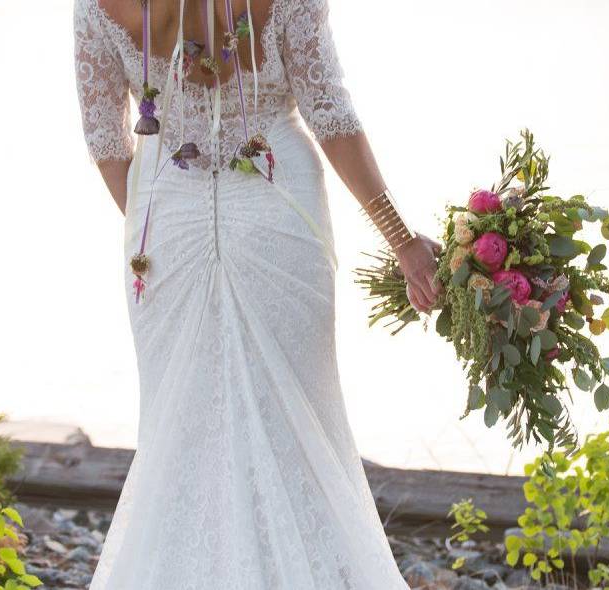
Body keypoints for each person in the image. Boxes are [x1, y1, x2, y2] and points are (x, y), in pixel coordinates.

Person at [73, 0, 442, 586]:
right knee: (298, 419)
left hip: (165, 228)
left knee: (182, 427)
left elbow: (104, 135)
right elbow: (331, 116)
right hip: (278, 204)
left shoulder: (95, 6)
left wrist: (151, 216)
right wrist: (402, 241)